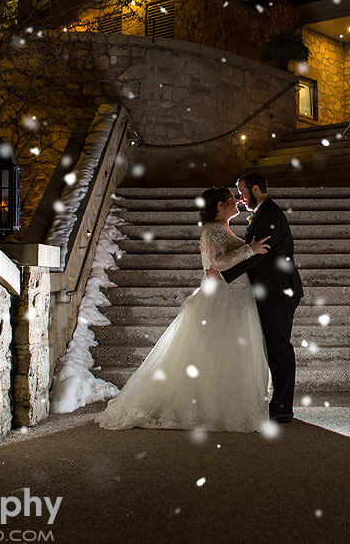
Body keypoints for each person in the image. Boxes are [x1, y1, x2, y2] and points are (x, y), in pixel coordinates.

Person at [96, 187, 272, 431]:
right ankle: (209, 408)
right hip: (222, 299)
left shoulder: (222, 228)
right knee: (218, 355)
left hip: (233, 298)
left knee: (226, 355)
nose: (238, 202)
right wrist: (249, 249)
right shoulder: (212, 230)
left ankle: (224, 406)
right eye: (232, 199)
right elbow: (218, 263)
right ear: (220, 205)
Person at [219, 172, 304, 424]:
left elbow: (260, 253)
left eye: (243, 192)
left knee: (279, 349)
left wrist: (224, 274)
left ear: (256, 189)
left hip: (279, 291)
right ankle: (279, 405)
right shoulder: (264, 212)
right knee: (275, 348)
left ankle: (282, 409)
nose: (240, 198)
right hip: (274, 289)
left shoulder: (269, 214)